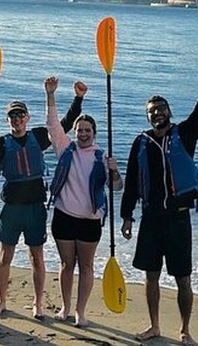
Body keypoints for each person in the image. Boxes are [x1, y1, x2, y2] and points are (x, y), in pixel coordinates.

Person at [120, 52, 198, 346]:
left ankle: (184, 331)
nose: (158, 113)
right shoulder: (140, 142)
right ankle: (154, 326)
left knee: (183, 279)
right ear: (148, 116)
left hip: (179, 218)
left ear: (169, 111)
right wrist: (127, 215)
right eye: (153, 111)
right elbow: (130, 183)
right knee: (151, 276)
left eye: (162, 108)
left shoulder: (185, 134)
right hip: (151, 218)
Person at [0, 79, 87, 319]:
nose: (16, 119)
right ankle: (1, 301)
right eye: (12, 116)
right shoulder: (1, 144)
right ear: (8, 120)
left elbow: (64, 124)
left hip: (35, 208)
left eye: (20, 115)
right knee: (5, 255)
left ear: (27, 117)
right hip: (12, 209)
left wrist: (77, 98)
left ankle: (38, 303)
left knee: (37, 256)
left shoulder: (39, 136)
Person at [45, 76, 122, 327]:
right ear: (75, 132)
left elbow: (116, 187)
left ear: (94, 133)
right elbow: (53, 125)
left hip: (90, 220)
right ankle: (65, 308)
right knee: (67, 265)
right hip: (64, 217)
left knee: (86, 267)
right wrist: (50, 94)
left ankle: (81, 312)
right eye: (80, 130)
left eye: (88, 130)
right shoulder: (65, 148)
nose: (84, 134)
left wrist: (114, 171)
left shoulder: (102, 156)